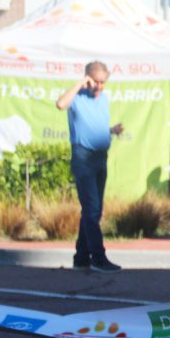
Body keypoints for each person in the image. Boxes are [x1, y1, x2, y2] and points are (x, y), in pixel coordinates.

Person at [55, 61, 124, 273]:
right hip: (83, 157)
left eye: (103, 82)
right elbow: (60, 104)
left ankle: (81, 257)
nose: (100, 86)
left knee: (92, 210)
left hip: (100, 157)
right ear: (88, 78)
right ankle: (98, 257)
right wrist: (80, 84)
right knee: (92, 209)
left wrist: (111, 130)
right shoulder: (76, 97)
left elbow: (96, 125)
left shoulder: (103, 99)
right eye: (96, 81)